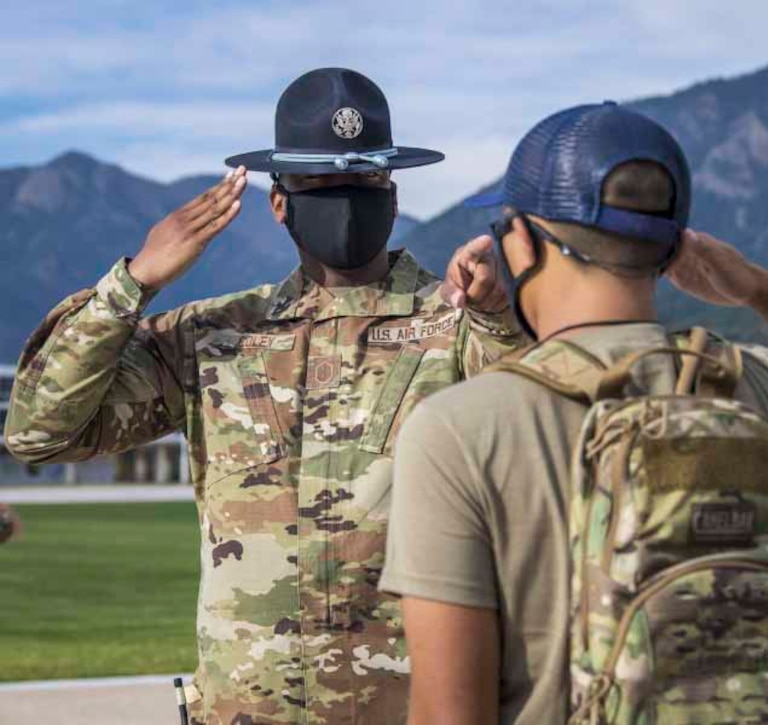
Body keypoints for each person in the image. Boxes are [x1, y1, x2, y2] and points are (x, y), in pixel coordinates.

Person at [378, 102, 768, 725]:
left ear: (520, 243)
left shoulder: (463, 429)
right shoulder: (764, 391)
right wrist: (762, 291)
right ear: (670, 252)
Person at [3, 68, 523, 724]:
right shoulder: (212, 337)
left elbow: (541, 432)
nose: (345, 201)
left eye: (363, 183)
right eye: (321, 186)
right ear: (280, 202)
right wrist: (130, 284)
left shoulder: (457, 327)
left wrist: (500, 318)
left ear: (391, 196)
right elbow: (38, 430)